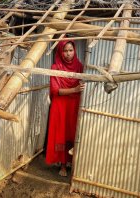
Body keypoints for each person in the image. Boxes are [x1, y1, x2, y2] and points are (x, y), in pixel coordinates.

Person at [45, 40, 85, 177]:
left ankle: (72, 163)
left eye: (70, 50)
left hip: (74, 105)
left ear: (75, 51)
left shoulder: (80, 66)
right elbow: (56, 90)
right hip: (60, 105)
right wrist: (74, 89)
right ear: (60, 52)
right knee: (60, 134)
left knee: (73, 134)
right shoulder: (55, 67)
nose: (68, 54)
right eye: (65, 51)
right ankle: (62, 164)